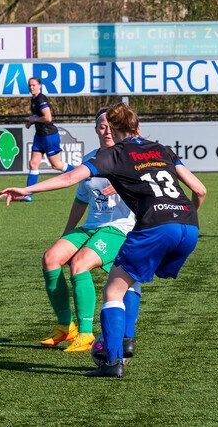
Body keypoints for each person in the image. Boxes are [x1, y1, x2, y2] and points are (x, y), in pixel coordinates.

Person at [0, 102, 207, 378]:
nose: (106, 131)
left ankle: (112, 360)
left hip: (153, 227)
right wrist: (184, 216)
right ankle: (124, 339)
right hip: (188, 226)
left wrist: (26, 188)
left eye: (110, 127)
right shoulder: (161, 148)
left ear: (117, 130)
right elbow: (200, 190)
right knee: (127, 277)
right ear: (137, 127)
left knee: (113, 292)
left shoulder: (115, 155)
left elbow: (70, 178)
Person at [40, 108, 141, 356]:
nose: (107, 131)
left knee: (79, 264)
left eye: (110, 126)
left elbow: (149, 184)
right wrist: (66, 233)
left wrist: (124, 185)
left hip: (119, 228)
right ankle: (66, 326)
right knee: (51, 258)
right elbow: (80, 200)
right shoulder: (92, 159)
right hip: (91, 226)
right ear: (96, 130)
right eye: (102, 127)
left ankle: (86, 333)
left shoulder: (131, 158)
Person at [23, 77, 72, 202]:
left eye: (34, 85)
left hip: (49, 135)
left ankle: (82, 174)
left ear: (40, 86)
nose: (31, 87)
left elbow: (48, 118)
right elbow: (38, 116)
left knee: (57, 165)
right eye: (30, 85)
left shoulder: (41, 99)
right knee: (33, 163)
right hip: (39, 136)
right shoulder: (34, 100)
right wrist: (31, 121)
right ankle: (28, 194)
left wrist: (34, 120)